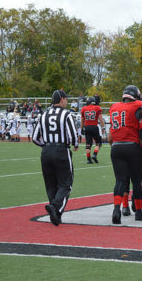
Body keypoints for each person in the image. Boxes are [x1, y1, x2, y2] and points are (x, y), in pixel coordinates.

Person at [108, 85, 142, 224]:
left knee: (120, 180)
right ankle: (138, 212)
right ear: (136, 95)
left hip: (116, 146)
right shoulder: (137, 105)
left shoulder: (114, 107)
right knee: (137, 181)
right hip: (132, 146)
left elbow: (110, 136)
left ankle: (116, 209)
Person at [32, 89, 79, 226]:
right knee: (66, 184)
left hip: (46, 151)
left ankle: (56, 215)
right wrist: (75, 144)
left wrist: (46, 147)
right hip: (61, 150)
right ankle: (55, 207)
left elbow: (35, 138)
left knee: (51, 185)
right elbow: (72, 135)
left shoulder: (43, 115)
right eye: (66, 99)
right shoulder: (66, 114)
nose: (67, 102)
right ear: (62, 99)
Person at [80, 96, 105, 164]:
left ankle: (88, 159)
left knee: (88, 144)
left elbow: (82, 120)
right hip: (94, 126)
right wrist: (103, 128)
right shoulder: (97, 108)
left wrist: (81, 128)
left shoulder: (84, 108)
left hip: (87, 127)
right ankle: (94, 154)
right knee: (98, 142)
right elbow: (101, 119)